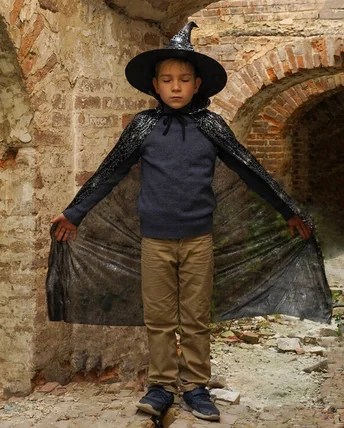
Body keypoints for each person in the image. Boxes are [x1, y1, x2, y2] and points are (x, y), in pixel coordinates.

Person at [49, 22, 315, 421]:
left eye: (184, 79)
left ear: (198, 84)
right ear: (154, 85)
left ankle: (195, 387)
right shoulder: (143, 126)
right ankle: (160, 387)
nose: (175, 87)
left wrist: (289, 211)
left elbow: (250, 169)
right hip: (154, 240)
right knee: (158, 319)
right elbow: (110, 172)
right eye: (168, 80)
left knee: (194, 319)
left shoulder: (211, 127)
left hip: (198, 240)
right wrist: (73, 214)